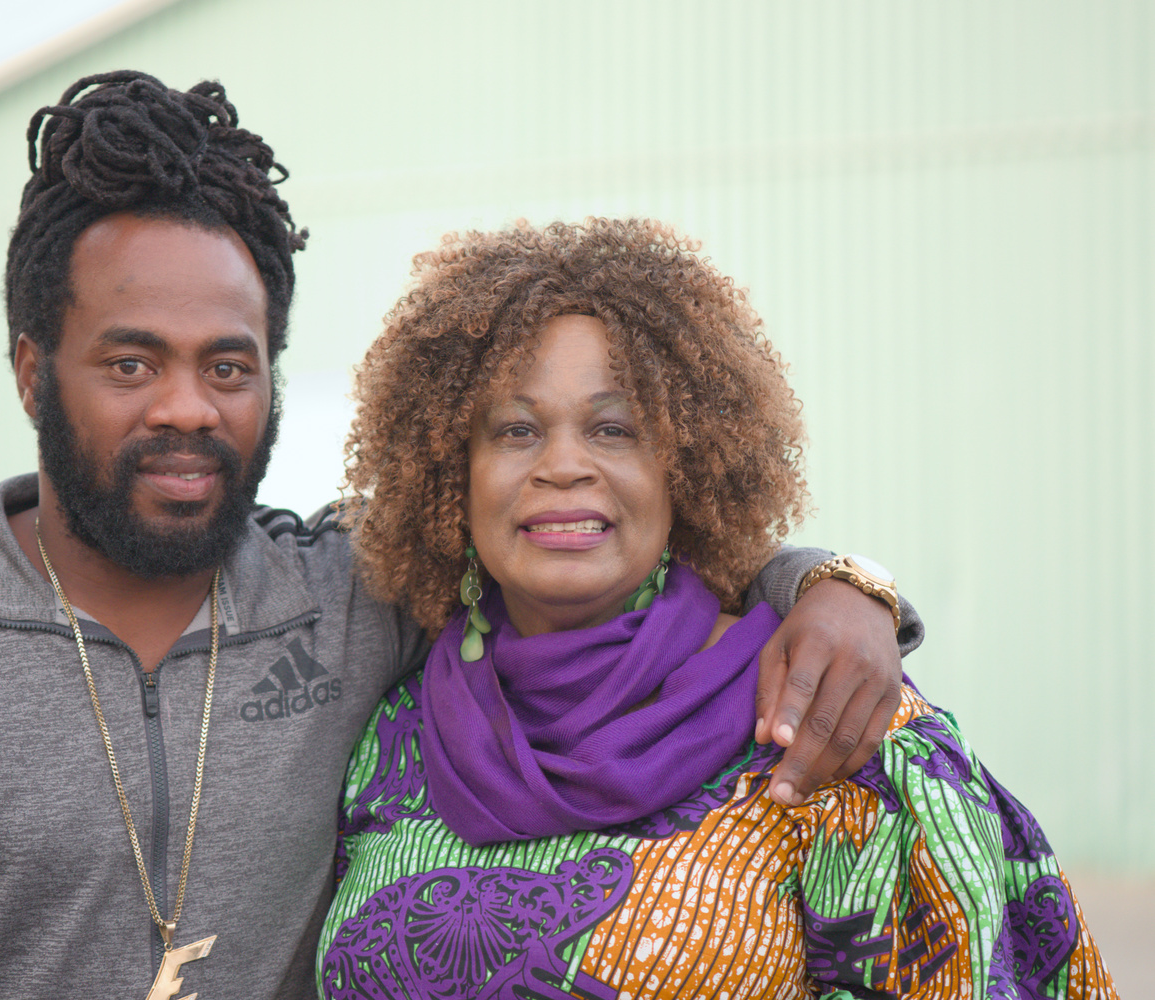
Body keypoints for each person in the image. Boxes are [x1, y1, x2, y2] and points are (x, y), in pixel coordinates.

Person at [0, 75, 916, 1000]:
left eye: (228, 365)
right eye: (131, 362)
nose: (187, 407)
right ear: (30, 369)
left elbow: (583, 529)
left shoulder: (355, 594)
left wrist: (830, 583)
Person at [320, 218, 1116, 999]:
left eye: (614, 429)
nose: (563, 464)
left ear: (688, 469)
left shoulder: (832, 717)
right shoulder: (391, 735)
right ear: (451, 473)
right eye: (516, 430)